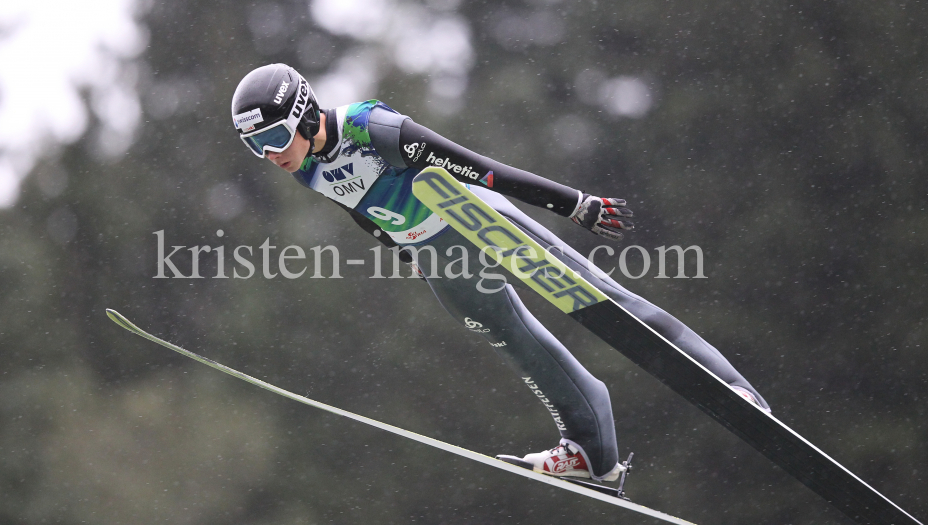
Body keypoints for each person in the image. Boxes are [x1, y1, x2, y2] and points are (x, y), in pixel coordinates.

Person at [230, 63, 770, 483]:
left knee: (602, 300)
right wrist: (408, 257)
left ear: (302, 115)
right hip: (436, 254)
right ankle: (591, 452)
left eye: (273, 139)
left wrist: (573, 203)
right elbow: (360, 211)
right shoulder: (304, 168)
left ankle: (733, 388)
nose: (270, 155)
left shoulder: (370, 128)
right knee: (517, 342)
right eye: (255, 147)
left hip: (474, 216)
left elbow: (480, 166)